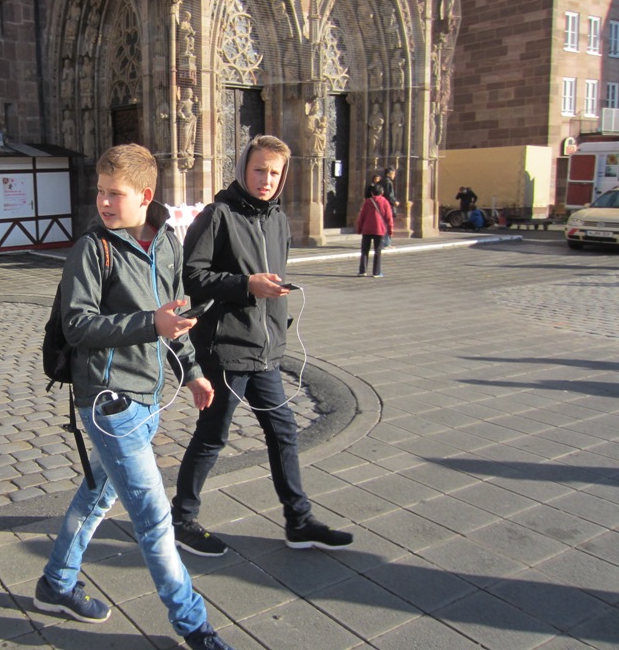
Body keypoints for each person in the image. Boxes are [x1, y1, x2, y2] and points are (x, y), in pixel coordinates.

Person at [34, 144, 235, 650]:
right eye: (99, 192)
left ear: (145, 195)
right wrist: (151, 323)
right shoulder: (91, 248)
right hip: (106, 403)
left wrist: (191, 371)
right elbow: (77, 326)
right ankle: (194, 625)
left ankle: (55, 584)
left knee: (97, 497)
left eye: (113, 194)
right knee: (153, 518)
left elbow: (175, 313)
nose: (102, 202)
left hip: (148, 396)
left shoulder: (166, 240)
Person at [171, 135, 354, 560]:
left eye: (274, 172)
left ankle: (298, 520)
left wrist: (273, 297)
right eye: (259, 170)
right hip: (226, 349)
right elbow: (193, 277)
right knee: (213, 435)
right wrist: (244, 285)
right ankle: (183, 518)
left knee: (283, 432)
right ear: (243, 169)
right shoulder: (218, 215)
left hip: (265, 350)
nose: (266, 179)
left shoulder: (278, 220)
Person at [356, 183, 394, 278]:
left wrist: (359, 228)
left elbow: (362, 216)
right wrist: (390, 230)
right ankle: (376, 272)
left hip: (367, 229)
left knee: (364, 250)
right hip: (379, 229)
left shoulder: (367, 202)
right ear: (382, 192)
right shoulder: (385, 202)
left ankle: (362, 271)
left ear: (372, 193)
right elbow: (389, 218)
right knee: (377, 251)